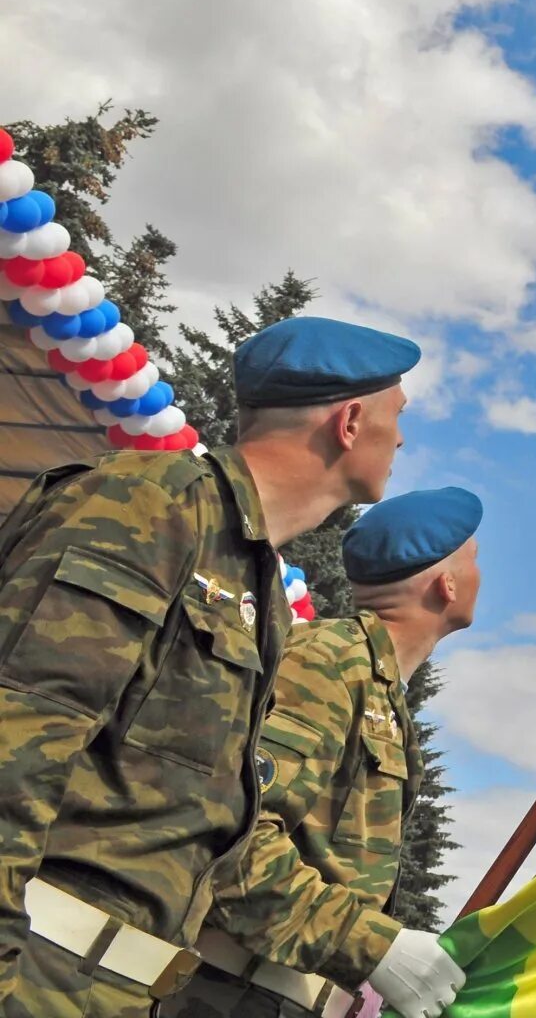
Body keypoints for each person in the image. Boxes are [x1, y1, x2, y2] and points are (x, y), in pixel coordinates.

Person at [0, 316, 418, 1017]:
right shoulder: (153, 502)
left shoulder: (255, 586)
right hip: (35, 974)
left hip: (112, 991)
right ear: (349, 422)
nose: (401, 439)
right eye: (396, 417)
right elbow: (18, 737)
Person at [164, 489, 481, 1018]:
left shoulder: (373, 685)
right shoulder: (327, 663)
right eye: (474, 561)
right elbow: (228, 832)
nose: (479, 576)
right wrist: (372, 945)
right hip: (227, 994)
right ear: (446, 585)